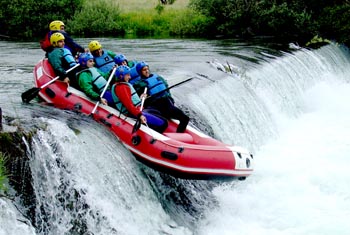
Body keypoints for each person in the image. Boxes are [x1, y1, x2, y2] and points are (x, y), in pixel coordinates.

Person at [133, 61, 189, 133]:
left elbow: (168, 92)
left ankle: (180, 135)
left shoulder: (159, 78)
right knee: (163, 122)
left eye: (147, 69)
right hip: (154, 107)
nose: (147, 71)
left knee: (185, 119)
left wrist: (171, 102)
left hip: (167, 105)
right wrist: (142, 97)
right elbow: (138, 99)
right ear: (140, 72)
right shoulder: (139, 84)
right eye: (144, 70)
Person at [111, 65, 168, 133]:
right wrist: (140, 115)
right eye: (127, 75)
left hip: (137, 109)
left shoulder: (122, 85)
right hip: (132, 113)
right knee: (163, 123)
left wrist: (140, 98)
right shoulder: (121, 87)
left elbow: (131, 99)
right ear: (121, 76)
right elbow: (129, 105)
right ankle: (153, 137)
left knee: (157, 113)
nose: (130, 77)